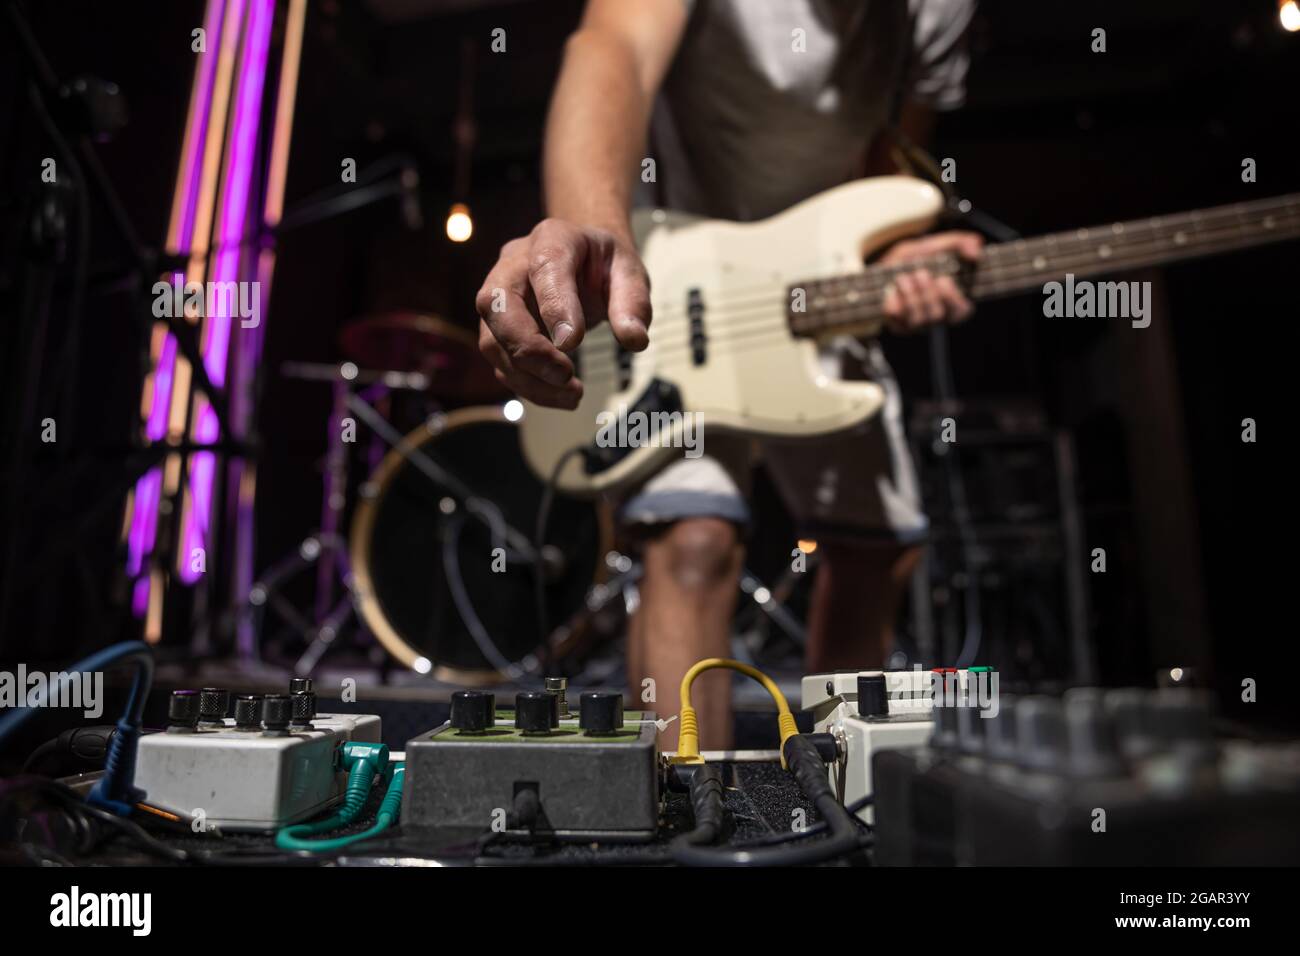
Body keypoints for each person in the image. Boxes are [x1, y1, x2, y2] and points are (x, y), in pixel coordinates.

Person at [476, 0, 982, 748]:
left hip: (819, 280)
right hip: (678, 273)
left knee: (877, 547)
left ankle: (842, 822)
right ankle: (685, 817)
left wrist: (893, 259)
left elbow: (895, 155)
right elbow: (615, 47)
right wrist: (593, 232)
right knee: (692, 539)